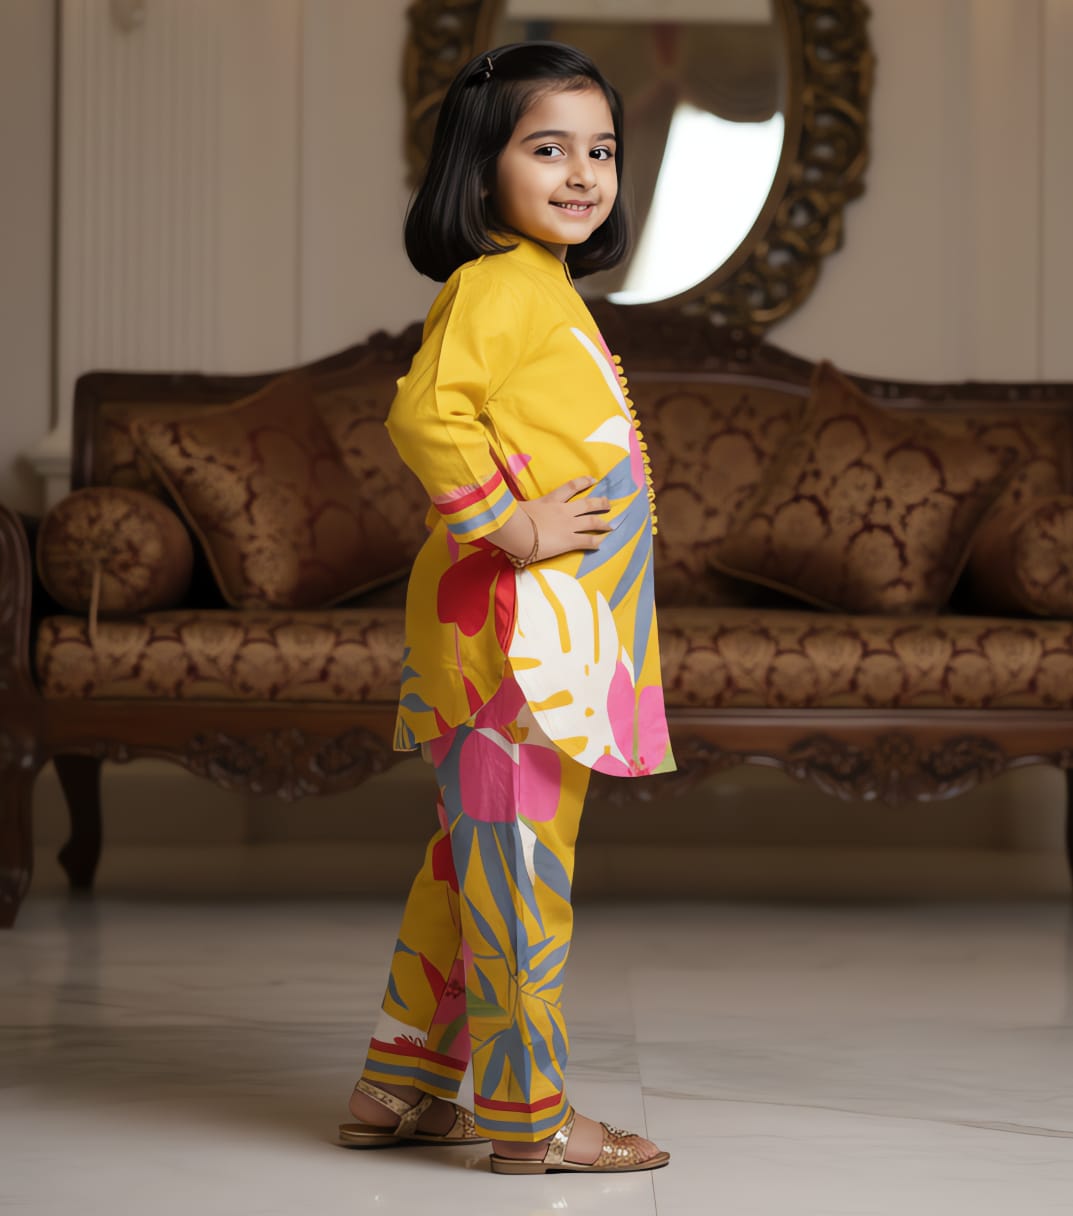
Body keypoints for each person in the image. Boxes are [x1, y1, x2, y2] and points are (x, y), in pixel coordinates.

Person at [338, 41, 674, 1175]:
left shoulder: (541, 290)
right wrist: (512, 525)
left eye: (601, 150)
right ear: (480, 170)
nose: (582, 172)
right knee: (521, 879)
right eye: (548, 148)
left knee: (471, 862)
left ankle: (396, 1088)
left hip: (544, 648)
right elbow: (426, 415)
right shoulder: (491, 286)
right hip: (511, 646)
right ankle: (529, 1118)